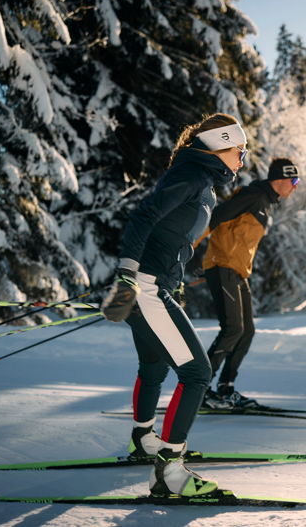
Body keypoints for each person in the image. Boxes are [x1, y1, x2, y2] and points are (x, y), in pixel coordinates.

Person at [100, 113, 247, 497]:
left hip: (154, 285)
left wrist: (174, 278)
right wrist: (128, 273)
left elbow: (170, 234)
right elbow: (144, 215)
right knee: (197, 373)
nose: (242, 160)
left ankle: (143, 439)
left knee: (153, 365)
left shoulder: (201, 179)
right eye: (239, 151)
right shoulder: (194, 176)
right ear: (220, 144)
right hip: (146, 289)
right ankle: (170, 472)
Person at [193, 158, 300, 410]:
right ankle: (198, 390)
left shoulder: (264, 202)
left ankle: (226, 389)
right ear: (281, 179)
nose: (295, 187)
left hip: (237, 271)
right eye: (294, 181)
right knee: (232, 329)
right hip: (223, 266)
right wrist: (187, 248)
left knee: (246, 331)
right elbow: (216, 217)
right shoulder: (253, 196)